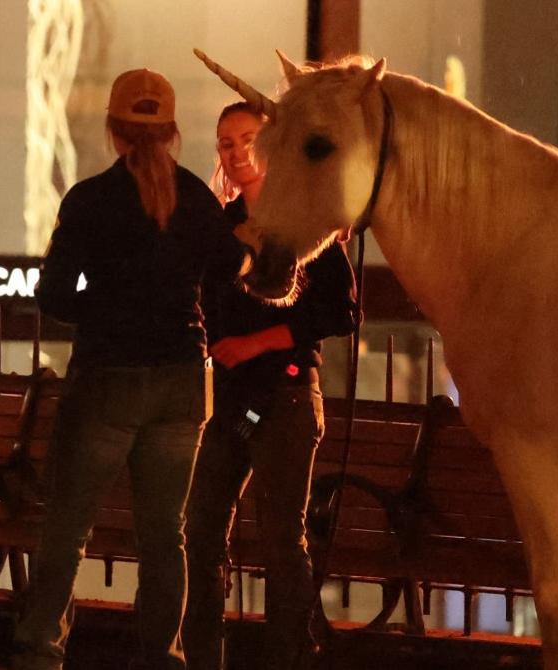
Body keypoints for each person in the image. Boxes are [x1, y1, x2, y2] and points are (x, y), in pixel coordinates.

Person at [12, 69, 246, 670]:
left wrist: (110, 307)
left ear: (115, 131)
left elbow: (56, 296)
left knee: (69, 524)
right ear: (171, 132)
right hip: (183, 379)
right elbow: (232, 271)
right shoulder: (199, 199)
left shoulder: (89, 200)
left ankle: (41, 653)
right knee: (165, 535)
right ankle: (164, 659)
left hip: (109, 377)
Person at [181, 101, 357, 670]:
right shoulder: (217, 226)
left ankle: (289, 658)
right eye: (226, 143)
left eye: (247, 140)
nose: (236, 153)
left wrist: (260, 341)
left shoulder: (306, 221)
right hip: (226, 396)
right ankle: (203, 657)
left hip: (283, 394)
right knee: (202, 533)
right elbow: (200, 299)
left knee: (283, 540)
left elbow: (340, 311)